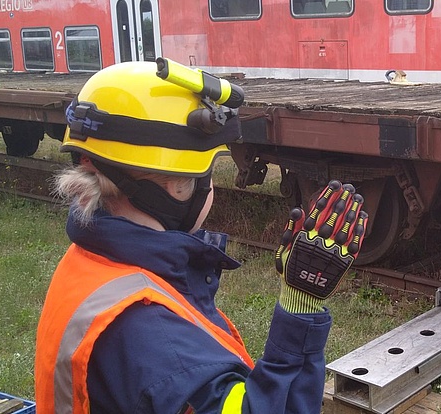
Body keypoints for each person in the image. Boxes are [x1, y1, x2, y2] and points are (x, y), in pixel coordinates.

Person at [34, 61, 368, 414]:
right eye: (206, 172)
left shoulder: (94, 263)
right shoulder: (151, 333)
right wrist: (301, 307)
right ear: (175, 188)